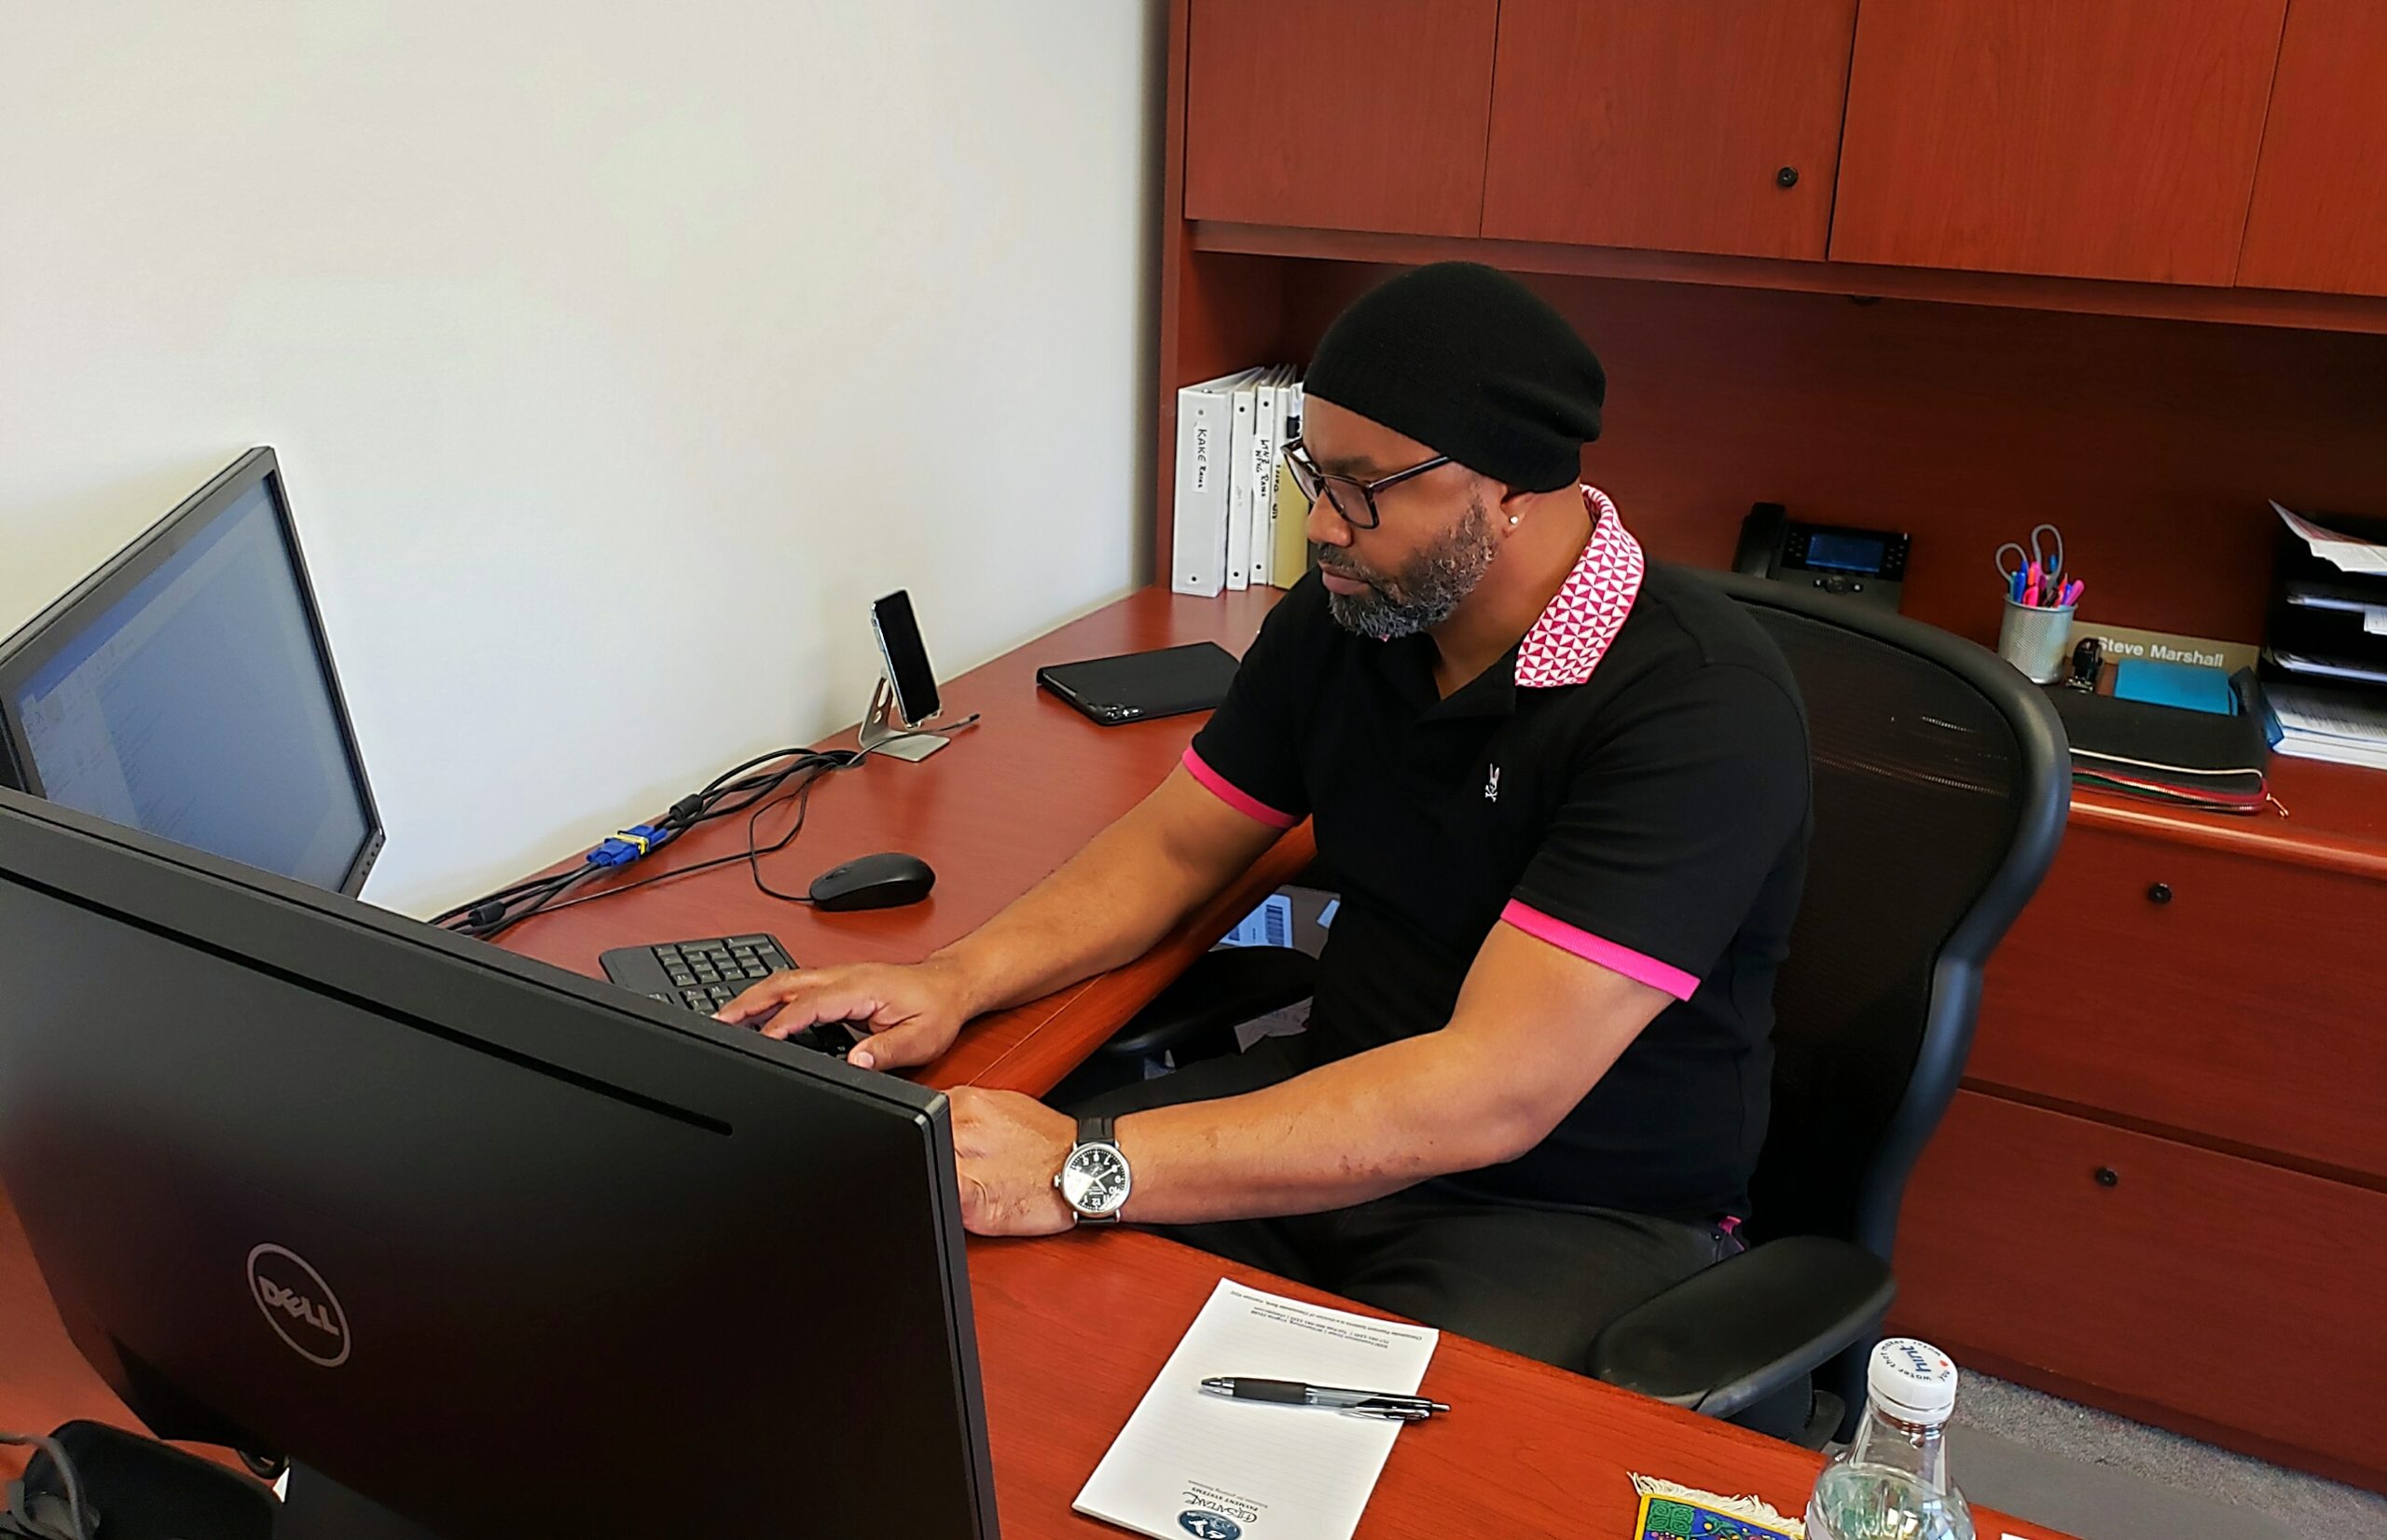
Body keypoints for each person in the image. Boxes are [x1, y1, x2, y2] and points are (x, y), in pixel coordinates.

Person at [721, 262, 1811, 1368]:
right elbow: (1173, 845)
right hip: (1328, 1104)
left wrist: (1085, 1162)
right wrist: (951, 978)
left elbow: (1492, 1089)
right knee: (973, 1321)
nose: (1320, 525)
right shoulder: (1357, 612)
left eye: (1360, 486)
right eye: (1311, 472)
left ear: (1510, 488)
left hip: (1568, 1203)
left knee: (1366, 1477)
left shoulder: (1700, 705)